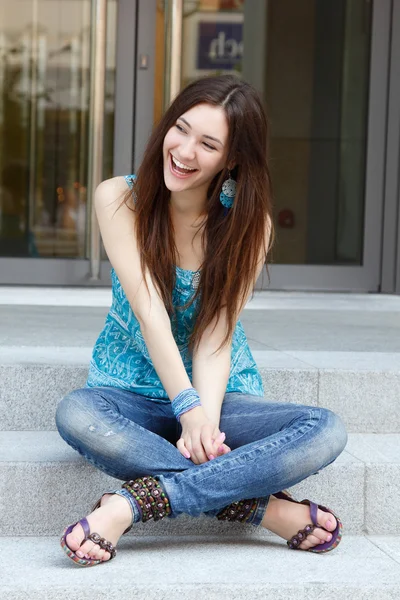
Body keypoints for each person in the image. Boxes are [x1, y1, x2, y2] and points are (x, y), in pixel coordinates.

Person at [56, 74, 348, 567]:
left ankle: (132, 503)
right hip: (127, 391)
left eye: (208, 144)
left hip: (220, 394)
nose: (185, 151)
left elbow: (217, 332)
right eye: (181, 129)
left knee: (327, 429)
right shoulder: (118, 199)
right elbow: (150, 314)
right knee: (76, 414)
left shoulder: (250, 227)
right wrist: (185, 408)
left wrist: (204, 418)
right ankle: (260, 510)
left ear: (232, 160)